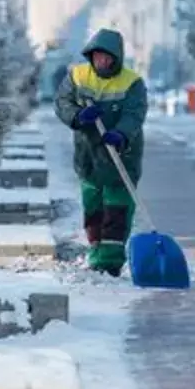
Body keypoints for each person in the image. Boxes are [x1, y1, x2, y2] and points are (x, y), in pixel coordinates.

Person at [54, 28, 148, 276]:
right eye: (97, 57)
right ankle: (97, 255)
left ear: (116, 58)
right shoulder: (77, 76)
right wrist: (78, 116)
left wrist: (121, 134)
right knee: (93, 209)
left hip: (121, 158)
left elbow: (134, 114)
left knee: (117, 211)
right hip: (89, 157)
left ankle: (111, 263)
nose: (102, 62)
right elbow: (62, 102)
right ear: (91, 56)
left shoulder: (132, 82)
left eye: (107, 58)